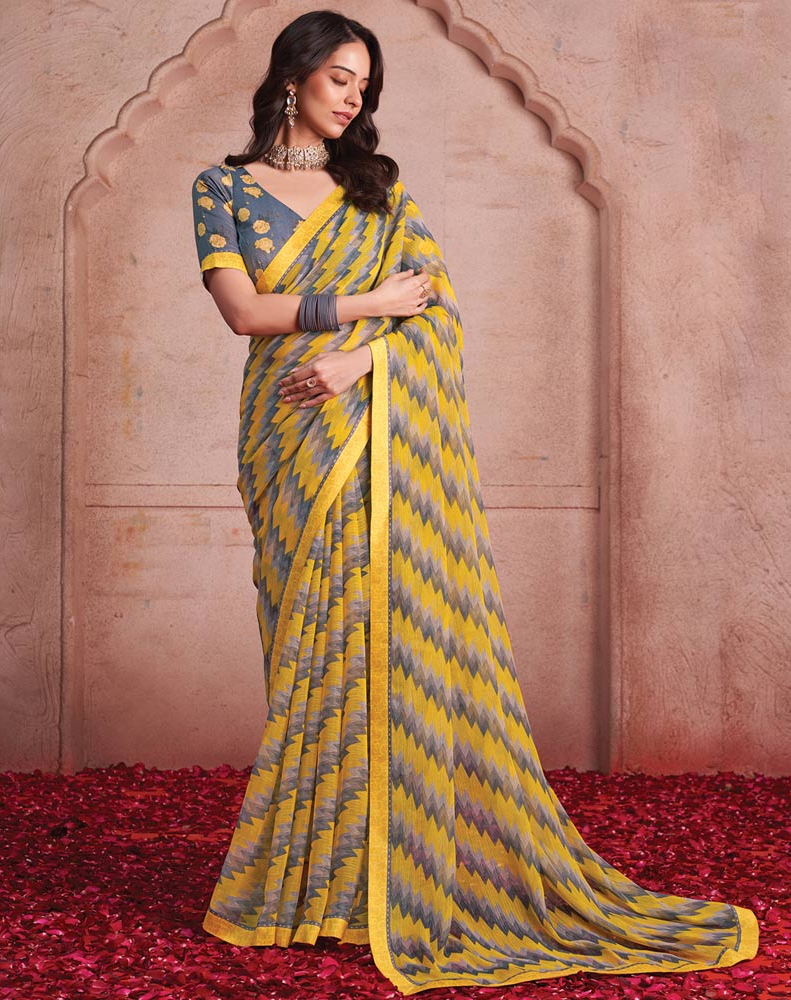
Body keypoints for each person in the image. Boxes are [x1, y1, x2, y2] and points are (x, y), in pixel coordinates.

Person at [191, 9, 759, 996]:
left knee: (382, 643)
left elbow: (438, 315)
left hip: (375, 435)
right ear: (291, 77)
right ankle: (313, 883)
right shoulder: (223, 189)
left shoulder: (378, 194)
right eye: (339, 76)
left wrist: (360, 359)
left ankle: (395, 872)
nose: (354, 95)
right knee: (309, 649)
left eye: (365, 82)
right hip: (286, 441)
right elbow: (243, 312)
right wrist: (367, 306)